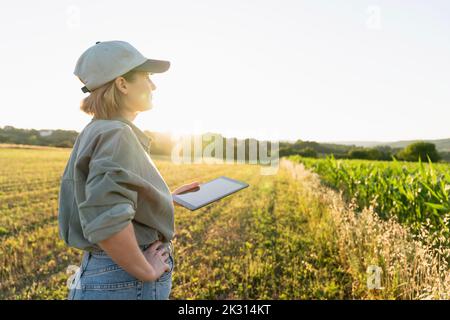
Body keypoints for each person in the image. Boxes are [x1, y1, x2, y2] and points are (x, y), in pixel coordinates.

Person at [58, 40, 199, 300]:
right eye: (146, 76)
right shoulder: (117, 134)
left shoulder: (97, 130)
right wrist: (145, 271)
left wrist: (160, 200)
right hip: (124, 278)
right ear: (122, 84)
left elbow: (102, 199)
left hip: (104, 270)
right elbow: (107, 218)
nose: (153, 85)